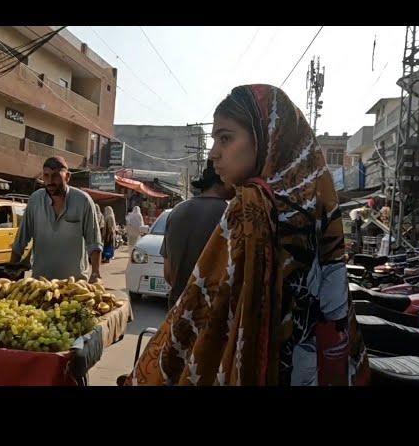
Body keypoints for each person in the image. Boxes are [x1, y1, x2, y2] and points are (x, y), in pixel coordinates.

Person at [126, 84, 369, 386]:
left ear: (267, 139)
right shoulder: (314, 202)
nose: (214, 154)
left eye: (225, 138)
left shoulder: (251, 205)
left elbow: (201, 311)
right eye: (214, 140)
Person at [11, 156, 102, 283]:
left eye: (55, 176)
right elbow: (21, 240)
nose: (49, 181)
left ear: (67, 176)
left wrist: (96, 273)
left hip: (74, 284)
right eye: (46, 176)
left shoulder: (83, 201)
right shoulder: (35, 200)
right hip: (40, 282)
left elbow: (94, 242)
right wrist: (12, 268)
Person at [160, 160, 234, 310]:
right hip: (212, 315)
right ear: (224, 179)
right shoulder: (230, 214)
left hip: (177, 309)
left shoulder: (177, 211)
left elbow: (168, 273)